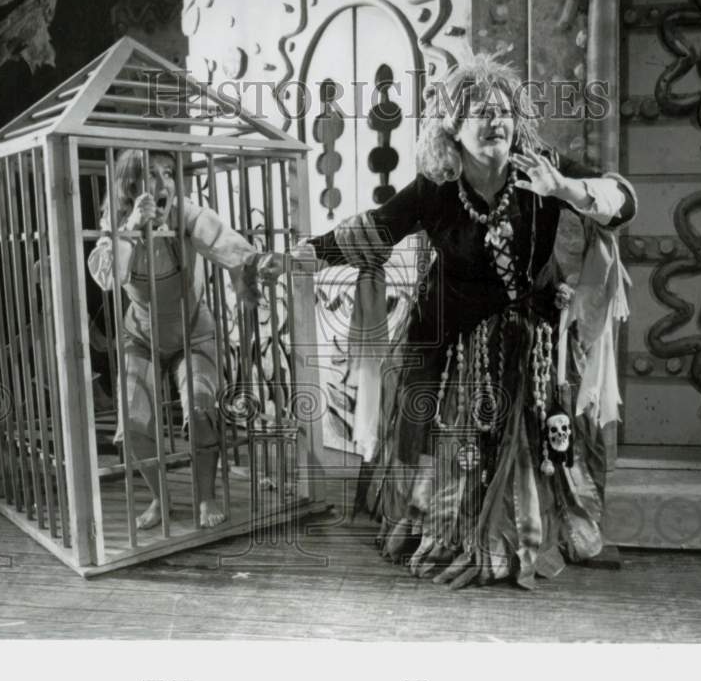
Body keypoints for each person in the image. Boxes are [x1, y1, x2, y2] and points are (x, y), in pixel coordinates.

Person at [295, 53, 637, 589]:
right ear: (452, 127)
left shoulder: (540, 167)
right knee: (443, 429)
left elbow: (621, 201)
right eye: (479, 111)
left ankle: (526, 532)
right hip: (452, 336)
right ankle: (449, 531)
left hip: (530, 338)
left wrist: (565, 191)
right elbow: (379, 227)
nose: (494, 121)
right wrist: (307, 253)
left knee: (544, 435)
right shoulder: (435, 187)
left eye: (503, 110)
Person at [88, 149, 281, 530]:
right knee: (133, 420)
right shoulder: (116, 221)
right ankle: (161, 499)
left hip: (194, 331)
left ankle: (206, 496)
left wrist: (255, 265)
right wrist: (131, 227)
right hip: (141, 335)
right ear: (131, 185)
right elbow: (111, 278)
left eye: (169, 173)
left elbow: (223, 240)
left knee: (202, 408)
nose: (164, 182)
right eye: (152, 174)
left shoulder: (187, 212)